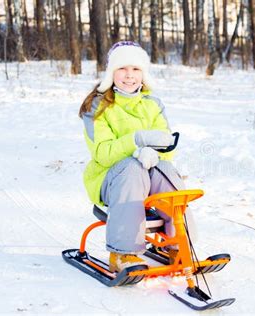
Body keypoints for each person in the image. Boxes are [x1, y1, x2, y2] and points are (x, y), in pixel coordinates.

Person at [78, 41, 185, 273]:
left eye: (135, 69)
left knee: (167, 170)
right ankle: (122, 253)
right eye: (122, 68)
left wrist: (153, 153)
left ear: (143, 73)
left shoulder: (153, 104)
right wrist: (136, 142)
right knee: (132, 167)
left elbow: (168, 145)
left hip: (148, 178)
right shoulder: (97, 106)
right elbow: (102, 154)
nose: (129, 76)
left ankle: (178, 243)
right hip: (111, 180)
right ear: (111, 72)